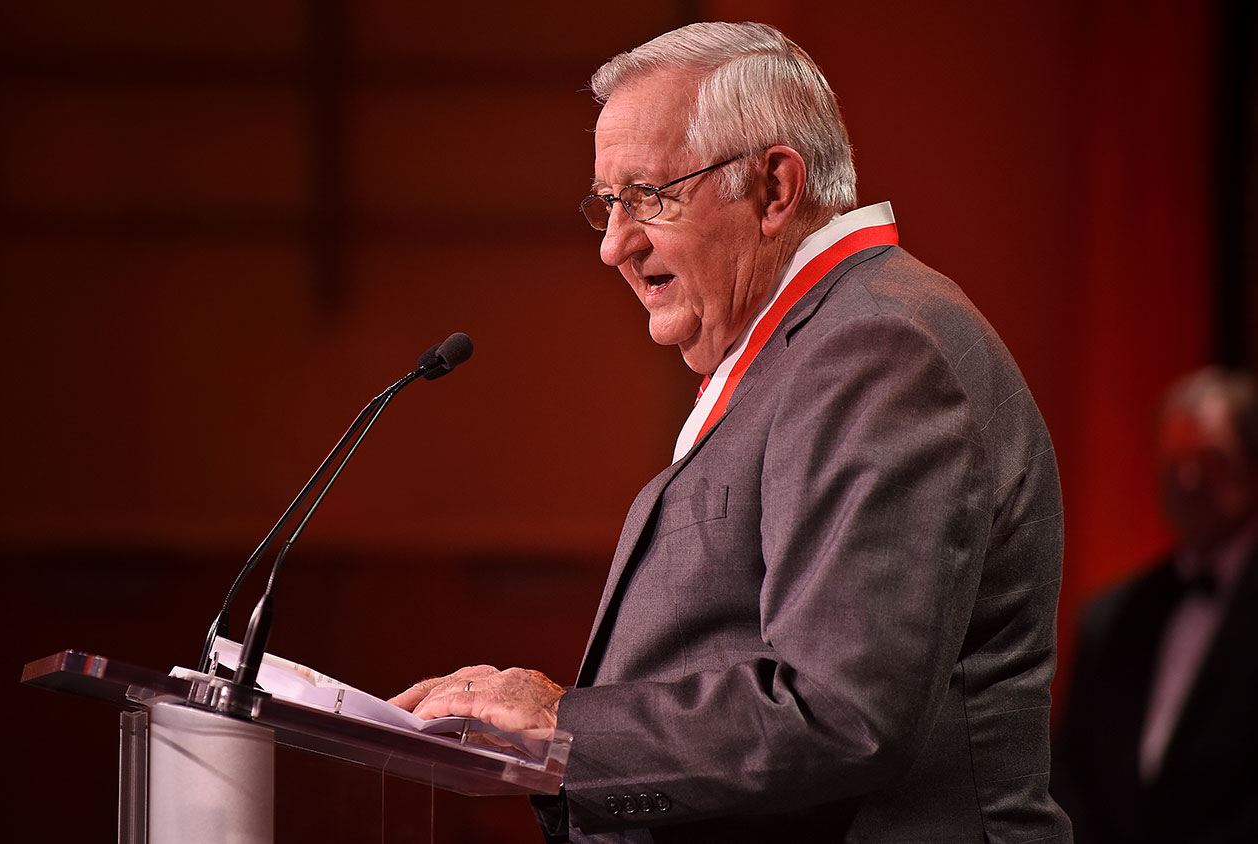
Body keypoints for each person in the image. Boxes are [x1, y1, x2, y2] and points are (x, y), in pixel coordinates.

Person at [389, 21, 1071, 842]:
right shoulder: (817, 343)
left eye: (647, 197)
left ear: (773, 189)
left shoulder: (872, 350)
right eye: (607, 205)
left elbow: (841, 712)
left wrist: (561, 727)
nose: (614, 247)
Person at [1051, 367, 1258, 843]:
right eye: (1173, 461)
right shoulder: (1109, 618)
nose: (1188, 479)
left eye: (1210, 459)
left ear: (1252, 464)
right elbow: (1071, 768)